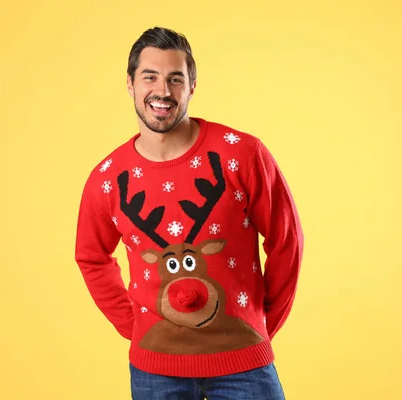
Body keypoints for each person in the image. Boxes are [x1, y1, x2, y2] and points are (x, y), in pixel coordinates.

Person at [74, 26, 304, 400]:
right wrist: (135, 327)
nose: (162, 91)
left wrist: (261, 324)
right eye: (150, 77)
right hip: (155, 372)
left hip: (245, 363)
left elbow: (286, 239)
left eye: (175, 79)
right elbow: (90, 256)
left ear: (191, 87)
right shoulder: (108, 178)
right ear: (130, 84)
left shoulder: (242, 154)